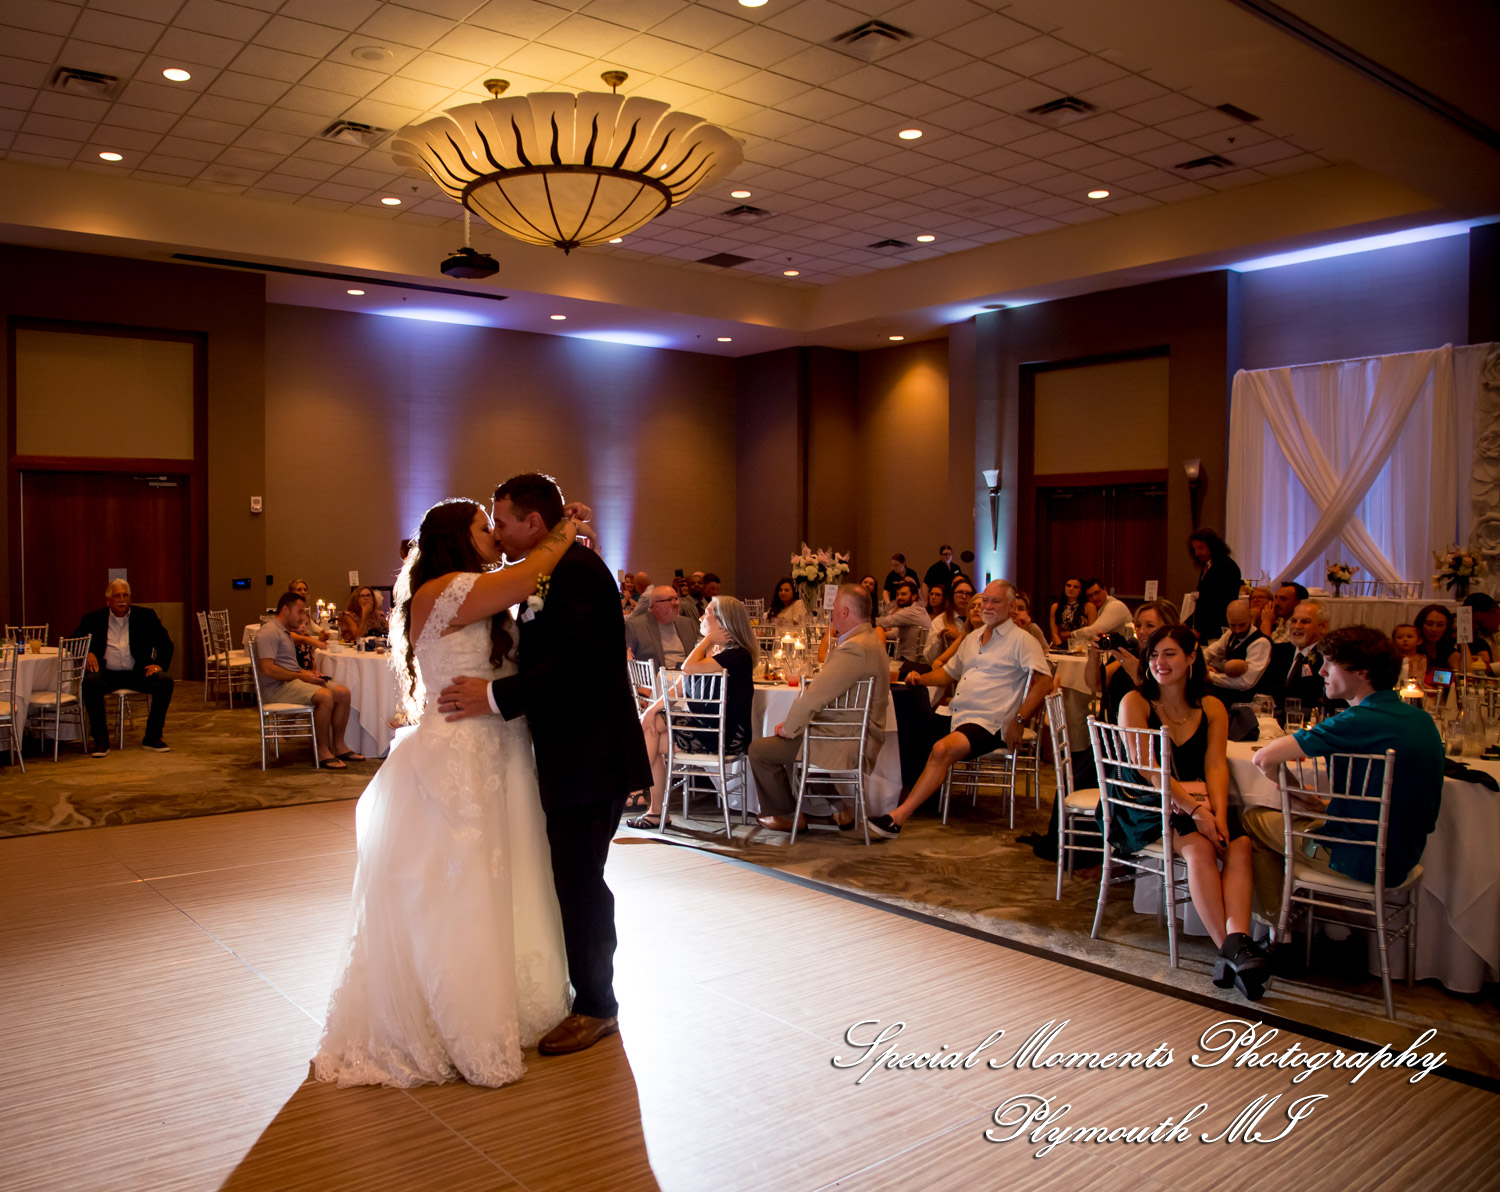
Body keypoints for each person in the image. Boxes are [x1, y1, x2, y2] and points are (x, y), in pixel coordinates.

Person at [312, 496, 587, 1087]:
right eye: (484, 528)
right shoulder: (445, 589)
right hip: (461, 757)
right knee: (462, 890)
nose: (493, 536)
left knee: (507, 878)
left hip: (500, 750)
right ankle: (457, 1021)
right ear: (457, 538)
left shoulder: (464, 590)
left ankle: (514, 1001)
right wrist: (563, 529)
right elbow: (528, 575)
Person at [438, 474, 652, 1057]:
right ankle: (586, 994)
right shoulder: (541, 572)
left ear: (533, 523)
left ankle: (597, 1007)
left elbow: (576, 669)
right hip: (566, 753)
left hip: (590, 754)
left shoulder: (577, 573)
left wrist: (492, 698)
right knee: (572, 878)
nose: (499, 533)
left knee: (581, 883)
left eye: (502, 522)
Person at [1103, 625, 1266, 998]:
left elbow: (1215, 766)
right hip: (1143, 800)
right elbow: (1146, 767)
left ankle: (1234, 945)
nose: (1160, 662)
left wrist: (1219, 816)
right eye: (1154, 655)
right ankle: (1232, 948)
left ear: (1192, 658)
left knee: (1238, 843)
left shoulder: (1212, 706)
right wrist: (1196, 809)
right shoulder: (1136, 702)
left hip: (1197, 799)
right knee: (1200, 848)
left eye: (1170, 654)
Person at [1248, 626, 1444, 926]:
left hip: (1359, 857)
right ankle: (1325, 923)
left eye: (1330, 662)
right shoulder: (1421, 718)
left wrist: (1300, 793)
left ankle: (1280, 929)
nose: (1322, 671)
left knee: (1251, 819)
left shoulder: (1355, 721)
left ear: (1362, 672)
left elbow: (1263, 757)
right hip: (1405, 852)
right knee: (1296, 824)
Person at [871, 580, 1051, 837]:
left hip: (988, 722)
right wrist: (920, 679)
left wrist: (1020, 720)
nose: (987, 606)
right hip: (957, 714)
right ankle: (909, 798)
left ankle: (898, 817)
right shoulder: (974, 637)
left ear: (1011, 607)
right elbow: (948, 674)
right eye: (985, 600)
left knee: (942, 748)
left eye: (995, 602)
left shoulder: (1022, 640)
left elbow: (1044, 681)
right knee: (907, 729)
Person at [749, 585, 890, 833]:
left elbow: (814, 696)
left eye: (834, 609)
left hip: (845, 739)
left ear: (845, 611)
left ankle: (787, 815)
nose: (831, 615)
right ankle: (840, 808)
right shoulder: (868, 640)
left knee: (761, 750)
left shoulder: (855, 648)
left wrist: (790, 728)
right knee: (796, 745)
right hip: (845, 733)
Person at [626, 596, 757, 831]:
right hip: (703, 728)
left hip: (723, 736)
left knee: (650, 731)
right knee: (650, 726)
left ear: (722, 621)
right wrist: (652, 711)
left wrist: (706, 640)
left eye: (706, 613)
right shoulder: (715, 651)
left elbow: (687, 668)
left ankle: (644, 800)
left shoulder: (737, 656)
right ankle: (654, 809)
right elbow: (680, 684)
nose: (700, 617)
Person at [256, 592, 365, 769]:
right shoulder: (269, 631)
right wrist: (302, 675)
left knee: (343, 693)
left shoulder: (283, 631)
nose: (302, 618)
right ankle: (322, 751)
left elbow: (289, 661)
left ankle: (338, 745)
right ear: (285, 610)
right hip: (276, 688)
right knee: (325, 696)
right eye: (299, 612)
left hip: (293, 681)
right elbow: (267, 669)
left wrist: (308, 673)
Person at [73, 578, 175, 757]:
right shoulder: (93, 618)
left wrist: (159, 665)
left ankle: (152, 737)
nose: (122, 599)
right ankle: (101, 740)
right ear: (108, 600)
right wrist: (87, 653)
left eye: (125, 595)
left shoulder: (146, 616)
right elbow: (73, 644)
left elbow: (166, 644)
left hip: (138, 672)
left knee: (165, 681)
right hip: (107, 673)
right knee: (90, 682)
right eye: (117, 596)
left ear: (130, 598)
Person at [1101, 599, 1180, 720]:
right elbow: (1097, 683)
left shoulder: (1175, 661)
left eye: (1150, 626)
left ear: (1169, 627)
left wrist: (1137, 673)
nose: (1141, 631)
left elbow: (1169, 704)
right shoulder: (1130, 650)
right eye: (1138, 626)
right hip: (1119, 726)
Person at [1259, 599, 1329, 711]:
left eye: (1305, 622)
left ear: (1323, 627)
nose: (1297, 626)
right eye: (1294, 621)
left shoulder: (1326, 657)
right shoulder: (1280, 651)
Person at [1203, 598, 1272, 700]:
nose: (1238, 630)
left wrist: (1210, 676)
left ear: (1250, 618)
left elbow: (1245, 682)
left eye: (1242, 625)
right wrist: (1203, 667)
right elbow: (1209, 653)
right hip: (1225, 694)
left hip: (1246, 700)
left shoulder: (1261, 643)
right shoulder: (1230, 634)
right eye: (1233, 625)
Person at [625, 585, 701, 671]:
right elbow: (628, 661)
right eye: (671, 599)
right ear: (656, 605)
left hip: (688, 677)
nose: (677, 603)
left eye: (677, 599)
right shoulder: (636, 626)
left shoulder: (687, 623)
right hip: (655, 680)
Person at [1187, 528, 1242, 641]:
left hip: (1217, 632)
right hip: (1205, 632)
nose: (1197, 553)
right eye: (1195, 549)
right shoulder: (1207, 567)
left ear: (1212, 546)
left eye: (1200, 548)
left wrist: (1201, 630)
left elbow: (1219, 604)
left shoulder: (1227, 567)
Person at [876, 578, 931, 669]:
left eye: (903, 594)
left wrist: (863, 621)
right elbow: (900, 633)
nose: (899, 597)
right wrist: (883, 634)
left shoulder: (911, 612)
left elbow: (884, 621)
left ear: (914, 596)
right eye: (897, 594)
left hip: (912, 664)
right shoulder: (920, 609)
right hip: (918, 663)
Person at [925, 577, 975, 664]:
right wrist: (939, 639)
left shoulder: (978, 619)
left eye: (968, 593)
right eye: (960, 592)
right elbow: (929, 659)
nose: (964, 596)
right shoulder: (940, 621)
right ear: (952, 595)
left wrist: (959, 637)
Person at [1067, 578, 1131, 646]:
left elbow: (1094, 631)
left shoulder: (1116, 605)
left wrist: (1070, 634)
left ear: (1105, 589)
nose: (1094, 598)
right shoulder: (1094, 608)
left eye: (1097, 593)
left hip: (1123, 651)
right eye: (1089, 596)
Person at [1410, 603, 1459, 680]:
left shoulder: (1447, 650)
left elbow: (1467, 674)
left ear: (1447, 627)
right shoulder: (1411, 648)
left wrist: (1463, 639)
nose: (1434, 629)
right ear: (1421, 624)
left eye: (1440, 625)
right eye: (1429, 624)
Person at [1049, 577, 1091, 647]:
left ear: (1081, 590)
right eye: (1068, 586)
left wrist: (1069, 634)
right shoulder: (1055, 607)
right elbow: (1054, 633)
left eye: (1076, 587)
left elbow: (1091, 632)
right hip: (1060, 645)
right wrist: (1061, 647)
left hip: (1082, 646)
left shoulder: (1089, 607)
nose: (1071, 589)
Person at [1462, 593, 1498, 671]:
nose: (1475, 627)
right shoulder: (1478, 634)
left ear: (1494, 612)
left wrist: (1489, 668)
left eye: (1478, 622)